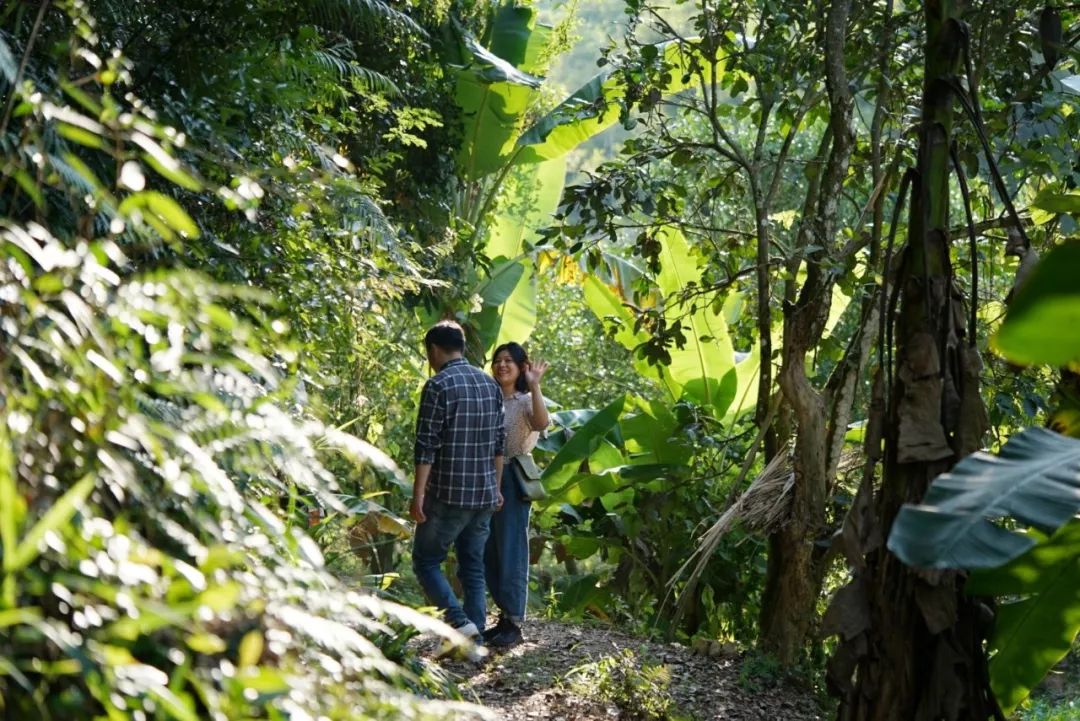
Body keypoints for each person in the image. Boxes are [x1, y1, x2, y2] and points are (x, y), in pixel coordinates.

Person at [411, 320, 506, 641]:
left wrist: (418, 495)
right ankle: (476, 634)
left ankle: (460, 623)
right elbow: (499, 445)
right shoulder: (490, 385)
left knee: (425, 561)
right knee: (473, 567)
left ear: (434, 350)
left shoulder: (438, 386)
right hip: (483, 495)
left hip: (448, 496)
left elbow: (426, 447)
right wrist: (496, 488)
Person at [484, 342, 549, 647]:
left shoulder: (524, 401)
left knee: (511, 549)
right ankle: (503, 617)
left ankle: (515, 621)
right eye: (497, 360)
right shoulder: (489, 399)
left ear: (521, 367)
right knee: (488, 551)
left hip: (512, 477)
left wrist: (535, 386)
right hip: (485, 476)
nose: (501, 365)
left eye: (509, 360)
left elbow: (541, 423)